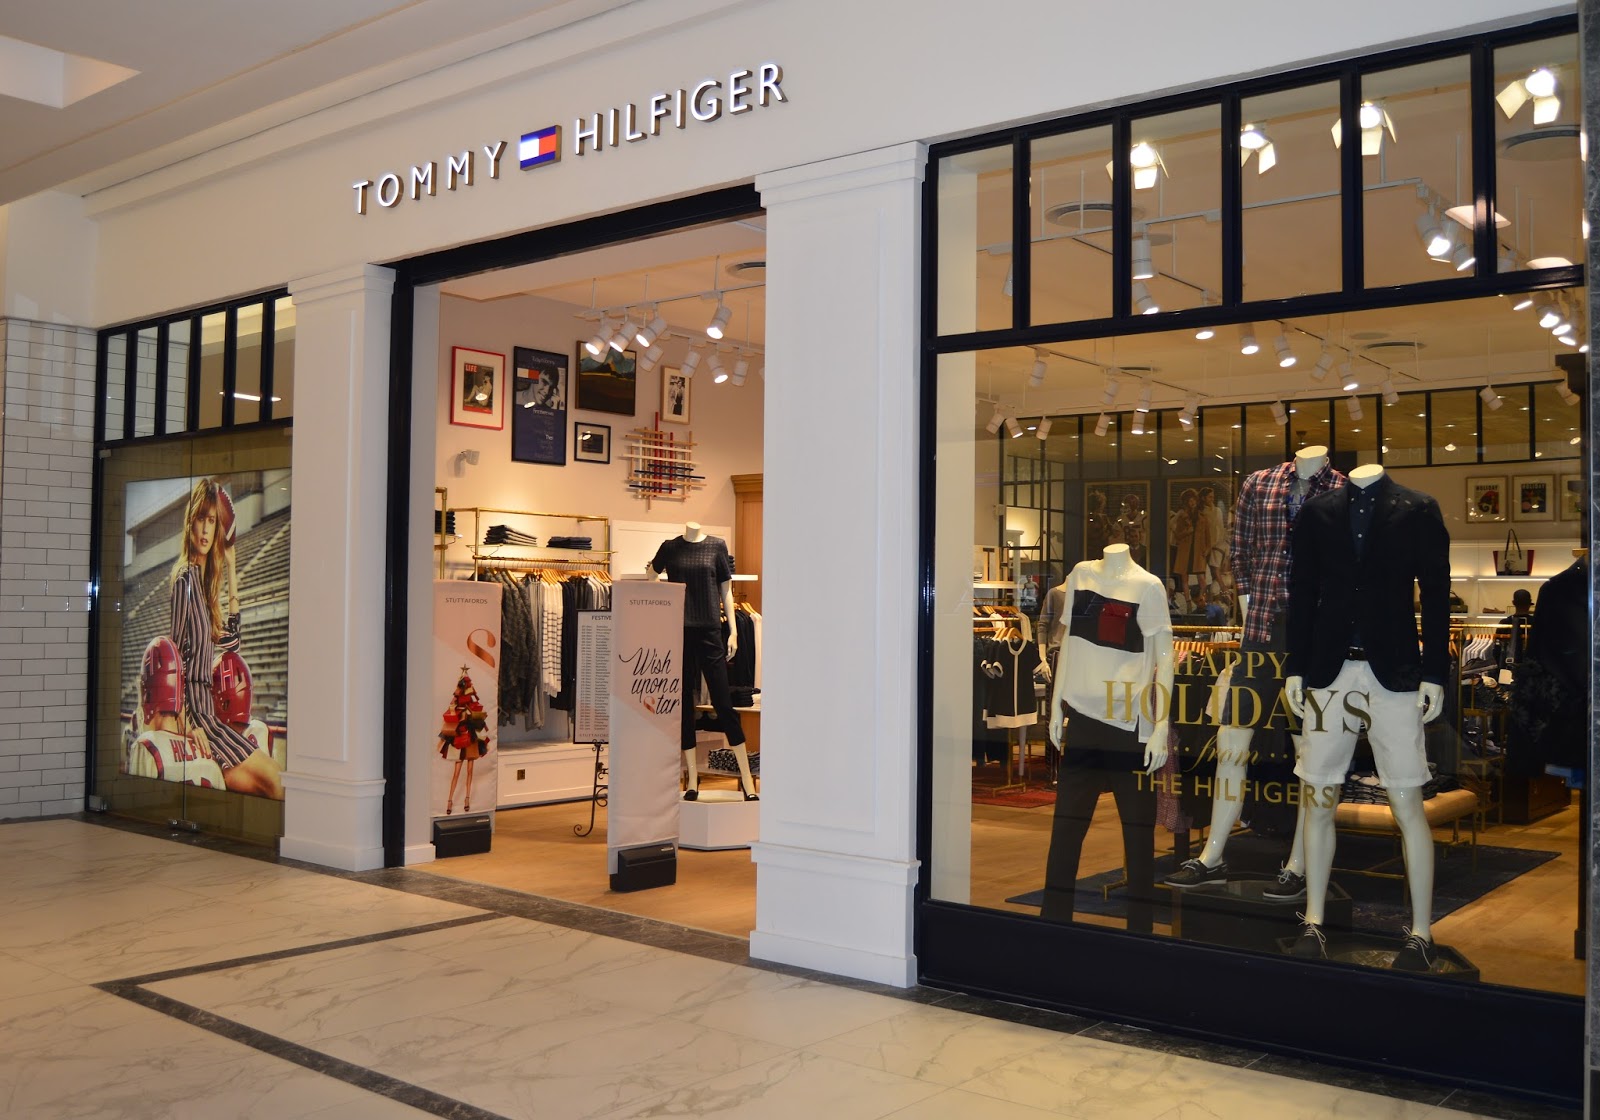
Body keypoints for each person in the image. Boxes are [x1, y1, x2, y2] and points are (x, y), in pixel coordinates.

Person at [170, 478, 284, 799]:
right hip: (201, 721)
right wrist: (190, 723)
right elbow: (176, 658)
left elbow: (233, 642)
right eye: (200, 519)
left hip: (211, 719)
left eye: (212, 521)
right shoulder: (184, 581)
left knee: (276, 779)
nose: (206, 530)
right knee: (274, 780)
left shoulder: (202, 586)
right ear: (190, 524)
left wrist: (232, 566)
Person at [1168, 488, 1200, 588]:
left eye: (1194, 500)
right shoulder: (1182, 513)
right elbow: (1171, 524)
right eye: (1190, 501)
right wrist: (1180, 533)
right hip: (1180, 546)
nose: (1193, 503)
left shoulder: (1196, 513)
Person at [1498, 588, 1534, 666]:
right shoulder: (1536, 622)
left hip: (1508, 665)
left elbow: (1498, 647)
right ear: (1530, 603)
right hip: (1532, 665)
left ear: (1513, 603)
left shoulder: (1505, 623)